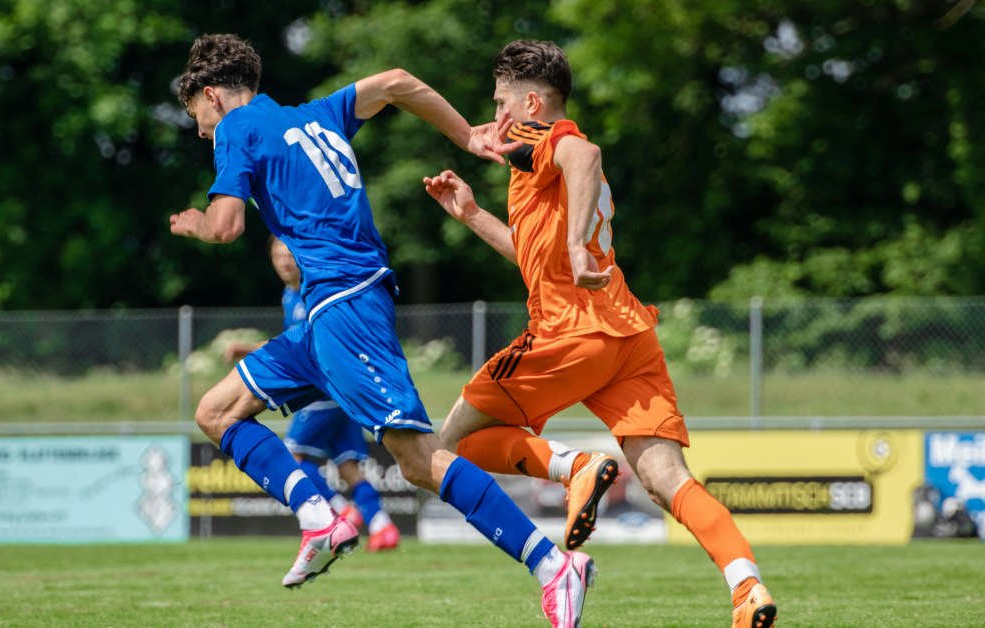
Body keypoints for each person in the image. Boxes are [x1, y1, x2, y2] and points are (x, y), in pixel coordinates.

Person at [170, 34, 595, 627]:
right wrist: (467, 136)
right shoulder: (315, 115)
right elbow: (396, 81)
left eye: (197, 115)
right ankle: (318, 518)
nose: (201, 132)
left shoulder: (236, 127)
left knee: (419, 461)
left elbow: (225, 226)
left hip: (345, 306)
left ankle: (552, 565)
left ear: (213, 95)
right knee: (216, 412)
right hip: (324, 314)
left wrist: (193, 222)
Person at [422, 40, 778, 628]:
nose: (496, 115)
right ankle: (747, 587)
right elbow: (533, 256)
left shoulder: (547, 136)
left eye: (502, 102)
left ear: (531, 103)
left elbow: (584, 154)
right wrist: (471, 215)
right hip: (627, 335)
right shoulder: (532, 163)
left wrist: (573, 246)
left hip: (568, 331)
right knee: (666, 481)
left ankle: (575, 469)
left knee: (448, 446)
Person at [223, 236, 401, 552]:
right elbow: (291, 343)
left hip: (321, 391)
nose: (284, 261)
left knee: (292, 457)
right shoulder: (288, 295)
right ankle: (382, 526)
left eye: (288, 254)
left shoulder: (312, 290)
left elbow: (309, 345)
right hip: (342, 391)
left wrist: (248, 349)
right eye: (277, 255)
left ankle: (340, 511)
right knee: (347, 466)